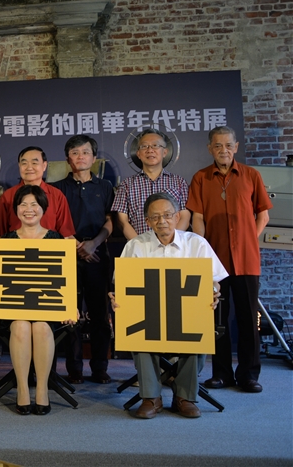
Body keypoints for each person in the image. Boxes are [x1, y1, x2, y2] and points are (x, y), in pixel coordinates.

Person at [111, 192, 228, 418]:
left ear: (177, 217)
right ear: (147, 221)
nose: (162, 221)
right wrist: (117, 297)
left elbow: (214, 281)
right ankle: (151, 397)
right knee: (137, 329)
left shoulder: (196, 243)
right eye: (155, 217)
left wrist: (213, 292)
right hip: (149, 315)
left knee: (198, 326)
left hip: (185, 313)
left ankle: (185, 396)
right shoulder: (136, 245)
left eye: (167, 215)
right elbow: (122, 284)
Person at [187, 126, 273, 393]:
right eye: (217, 145)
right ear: (209, 149)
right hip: (215, 260)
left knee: (248, 318)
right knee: (217, 320)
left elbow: (263, 215)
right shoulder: (201, 178)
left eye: (228, 145)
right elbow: (198, 218)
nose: (223, 150)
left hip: (246, 260)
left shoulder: (251, 175)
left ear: (236, 147)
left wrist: (249, 239)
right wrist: (202, 250)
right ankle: (221, 374)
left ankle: (249, 375)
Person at [0, 185, 77, 416]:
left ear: (43, 208)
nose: (29, 209)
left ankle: (42, 389)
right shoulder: (5, 240)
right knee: (21, 327)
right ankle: (23, 389)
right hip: (14, 307)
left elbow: (65, 278)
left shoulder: (56, 239)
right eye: (23, 204)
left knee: (42, 328)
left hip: (47, 307)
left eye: (34, 204)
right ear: (16, 209)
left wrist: (70, 306)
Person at [50, 135, 115, 384]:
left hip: (98, 254)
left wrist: (94, 243)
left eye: (85, 152)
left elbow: (110, 220)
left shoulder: (105, 187)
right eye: (75, 153)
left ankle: (100, 367)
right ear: (68, 159)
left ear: (94, 157)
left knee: (100, 315)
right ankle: (74, 368)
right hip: (67, 254)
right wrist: (76, 245)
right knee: (70, 314)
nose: (80, 157)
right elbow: (55, 223)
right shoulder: (57, 188)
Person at [112, 128, 191, 239]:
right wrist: (139, 244)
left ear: (165, 152)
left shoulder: (179, 182)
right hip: (139, 245)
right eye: (144, 146)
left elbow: (185, 217)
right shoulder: (127, 184)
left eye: (155, 145)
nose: (150, 150)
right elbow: (122, 221)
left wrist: (170, 241)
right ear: (138, 154)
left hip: (172, 245)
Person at [0, 146, 75, 238]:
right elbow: (2, 235)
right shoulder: (8, 196)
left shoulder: (57, 195)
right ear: (19, 166)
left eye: (34, 163)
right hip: (15, 246)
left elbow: (66, 235)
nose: (29, 168)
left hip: (50, 246)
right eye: (24, 163)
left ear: (44, 165)